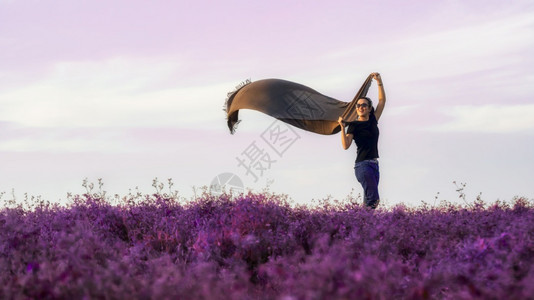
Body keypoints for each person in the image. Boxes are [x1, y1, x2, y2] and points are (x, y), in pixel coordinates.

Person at [338, 72, 386, 209]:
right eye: (358, 105)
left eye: (364, 105)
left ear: (370, 108)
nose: (360, 107)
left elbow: (382, 102)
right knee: (373, 199)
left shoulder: (373, 120)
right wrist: (342, 127)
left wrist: (379, 82)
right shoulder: (354, 125)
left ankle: (360, 225)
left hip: (374, 165)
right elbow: (345, 145)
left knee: (367, 203)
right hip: (362, 166)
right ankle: (360, 223)